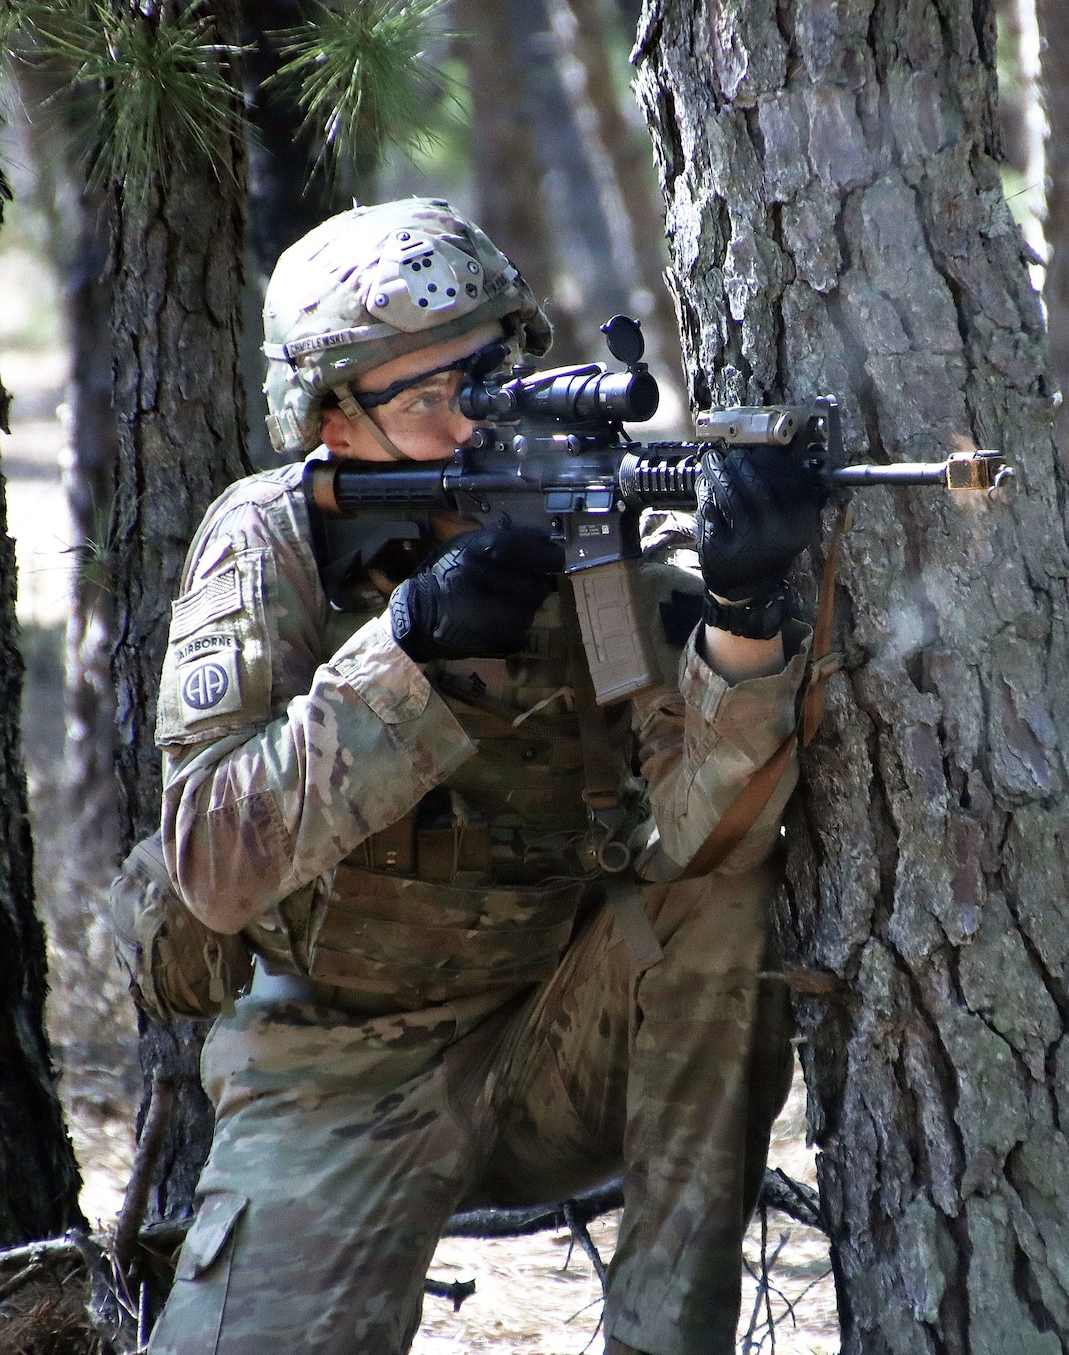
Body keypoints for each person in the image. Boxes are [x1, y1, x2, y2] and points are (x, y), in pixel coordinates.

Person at [145, 198, 826, 1355]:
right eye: (422, 398)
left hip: (556, 1040)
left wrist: (742, 622)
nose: (470, 423)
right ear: (329, 423)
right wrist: (412, 647)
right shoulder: (274, 541)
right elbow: (211, 862)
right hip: (334, 1066)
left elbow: (690, 837)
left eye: (489, 375)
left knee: (725, 904)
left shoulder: (585, 528)